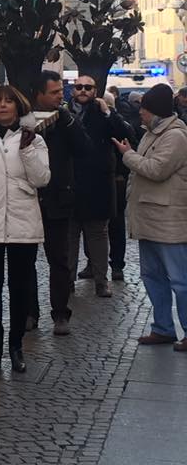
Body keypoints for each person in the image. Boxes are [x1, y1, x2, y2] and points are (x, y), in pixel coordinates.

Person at [0, 85, 50, 373]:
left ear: (18, 106)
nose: (2, 106)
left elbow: (42, 178)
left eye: (8, 102)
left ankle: (16, 345)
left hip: (22, 220)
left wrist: (26, 150)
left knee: (20, 286)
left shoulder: (34, 139)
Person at [113, 84, 187, 350]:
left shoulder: (175, 136)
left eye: (144, 110)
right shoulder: (151, 133)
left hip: (169, 219)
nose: (140, 114)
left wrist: (127, 155)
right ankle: (163, 328)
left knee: (180, 280)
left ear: (155, 111)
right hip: (148, 216)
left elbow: (156, 170)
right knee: (152, 277)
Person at [27, 71, 91, 336]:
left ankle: (60, 313)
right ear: (39, 94)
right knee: (25, 261)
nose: (60, 96)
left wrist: (68, 121)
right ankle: (29, 311)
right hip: (29, 199)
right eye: (54, 92)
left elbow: (84, 148)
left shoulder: (65, 119)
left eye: (60, 91)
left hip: (58, 197)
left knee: (59, 260)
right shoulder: (25, 120)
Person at [68, 74, 131, 298]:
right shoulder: (64, 112)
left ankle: (101, 280)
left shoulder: (103, 113)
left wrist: (108, 111)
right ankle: (67, 282)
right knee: (70, 237)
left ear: (95, 90)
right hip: (71, 184)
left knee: (98, 235)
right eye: (79, 87)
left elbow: (125, 134)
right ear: (72, 90)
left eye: (88, 87)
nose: (83, 90)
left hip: (98, 184)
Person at [103, 92, 138, 282]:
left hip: (117, 178)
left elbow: (128, 138)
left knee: (115, 225)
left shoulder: (120, 123)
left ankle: (117, 264)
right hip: (104, 178)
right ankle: (100, 264)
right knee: (97, 226)